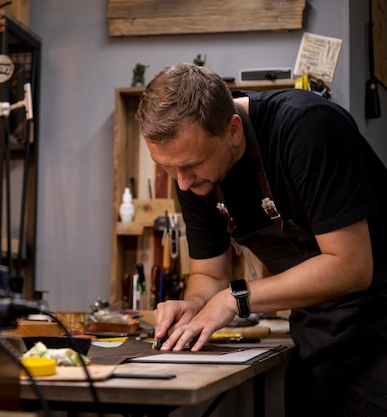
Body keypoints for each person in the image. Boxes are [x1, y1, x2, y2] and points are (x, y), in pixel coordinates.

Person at [136, 63, 387, 416]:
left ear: (233, 130)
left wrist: (235, 298)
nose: (182, 184)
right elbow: (208, 276)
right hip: (317, 336)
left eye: (191, 166)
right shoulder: (190, 173)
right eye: (167, 169)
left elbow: (351, 265)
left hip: (380, 328)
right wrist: (194, 306)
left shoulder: (307, 128)